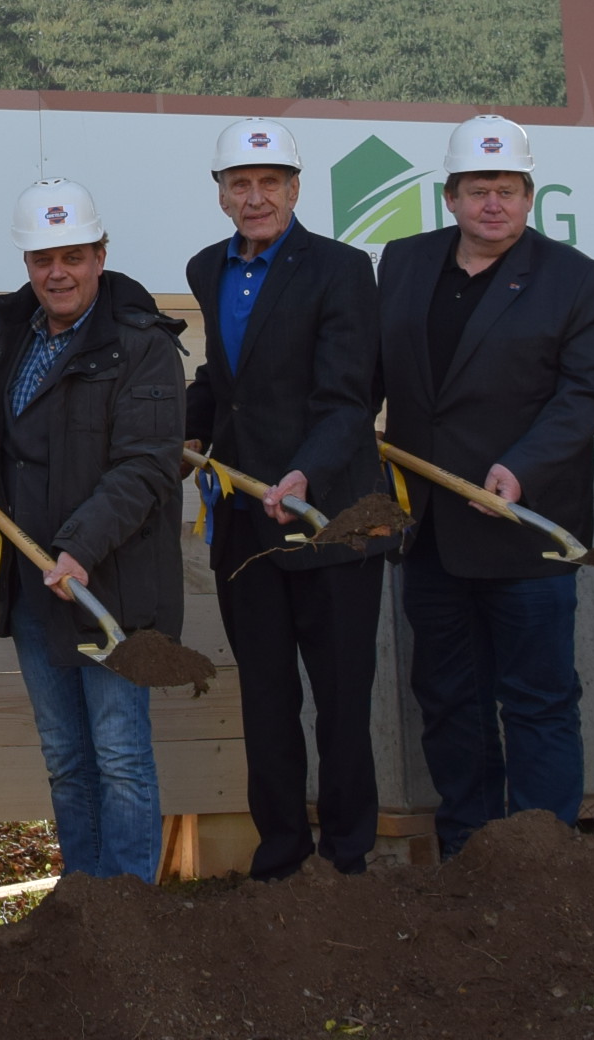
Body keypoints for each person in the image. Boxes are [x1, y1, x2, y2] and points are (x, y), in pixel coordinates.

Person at [378, 114, 594, 857]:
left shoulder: (575, 279)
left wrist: (525, 464)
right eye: (479, 189)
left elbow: (589, 391)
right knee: (450, 701)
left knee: (540, 701)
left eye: (509, 190)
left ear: (529, 196)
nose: (494, 204)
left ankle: (542, 853)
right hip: (432, 535)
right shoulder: (405, 263)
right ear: (449, 196)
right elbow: (374, 372)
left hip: (526, 531)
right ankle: (470, 849)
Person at [0, 180, 186, 882]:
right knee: (68, 760)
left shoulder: (142, 347)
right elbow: (4, 420)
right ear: (27, 262)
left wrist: (79, 546)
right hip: (33, 586)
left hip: (111, 585)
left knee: (120, 759)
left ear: (101, 256)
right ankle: (85, 906)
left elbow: (146, 468)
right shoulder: (15, 333)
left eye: (73, 255)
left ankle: (131, 914)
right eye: (43, 258)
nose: (57, 272)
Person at [182, 118, 395, 877]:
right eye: (239, 184)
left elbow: (348, 398)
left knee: (340, 699)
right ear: (221, 195)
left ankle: (346, 854)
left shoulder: (340, 269)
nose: (255, 197)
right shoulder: (208, 269)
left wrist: (304, 473)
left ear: (295, 190)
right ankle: (280, 853)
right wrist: (183, 437)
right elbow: (223, 387)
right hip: (246, 525)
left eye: (270, 183)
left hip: (330, 516)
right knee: (266, 701)